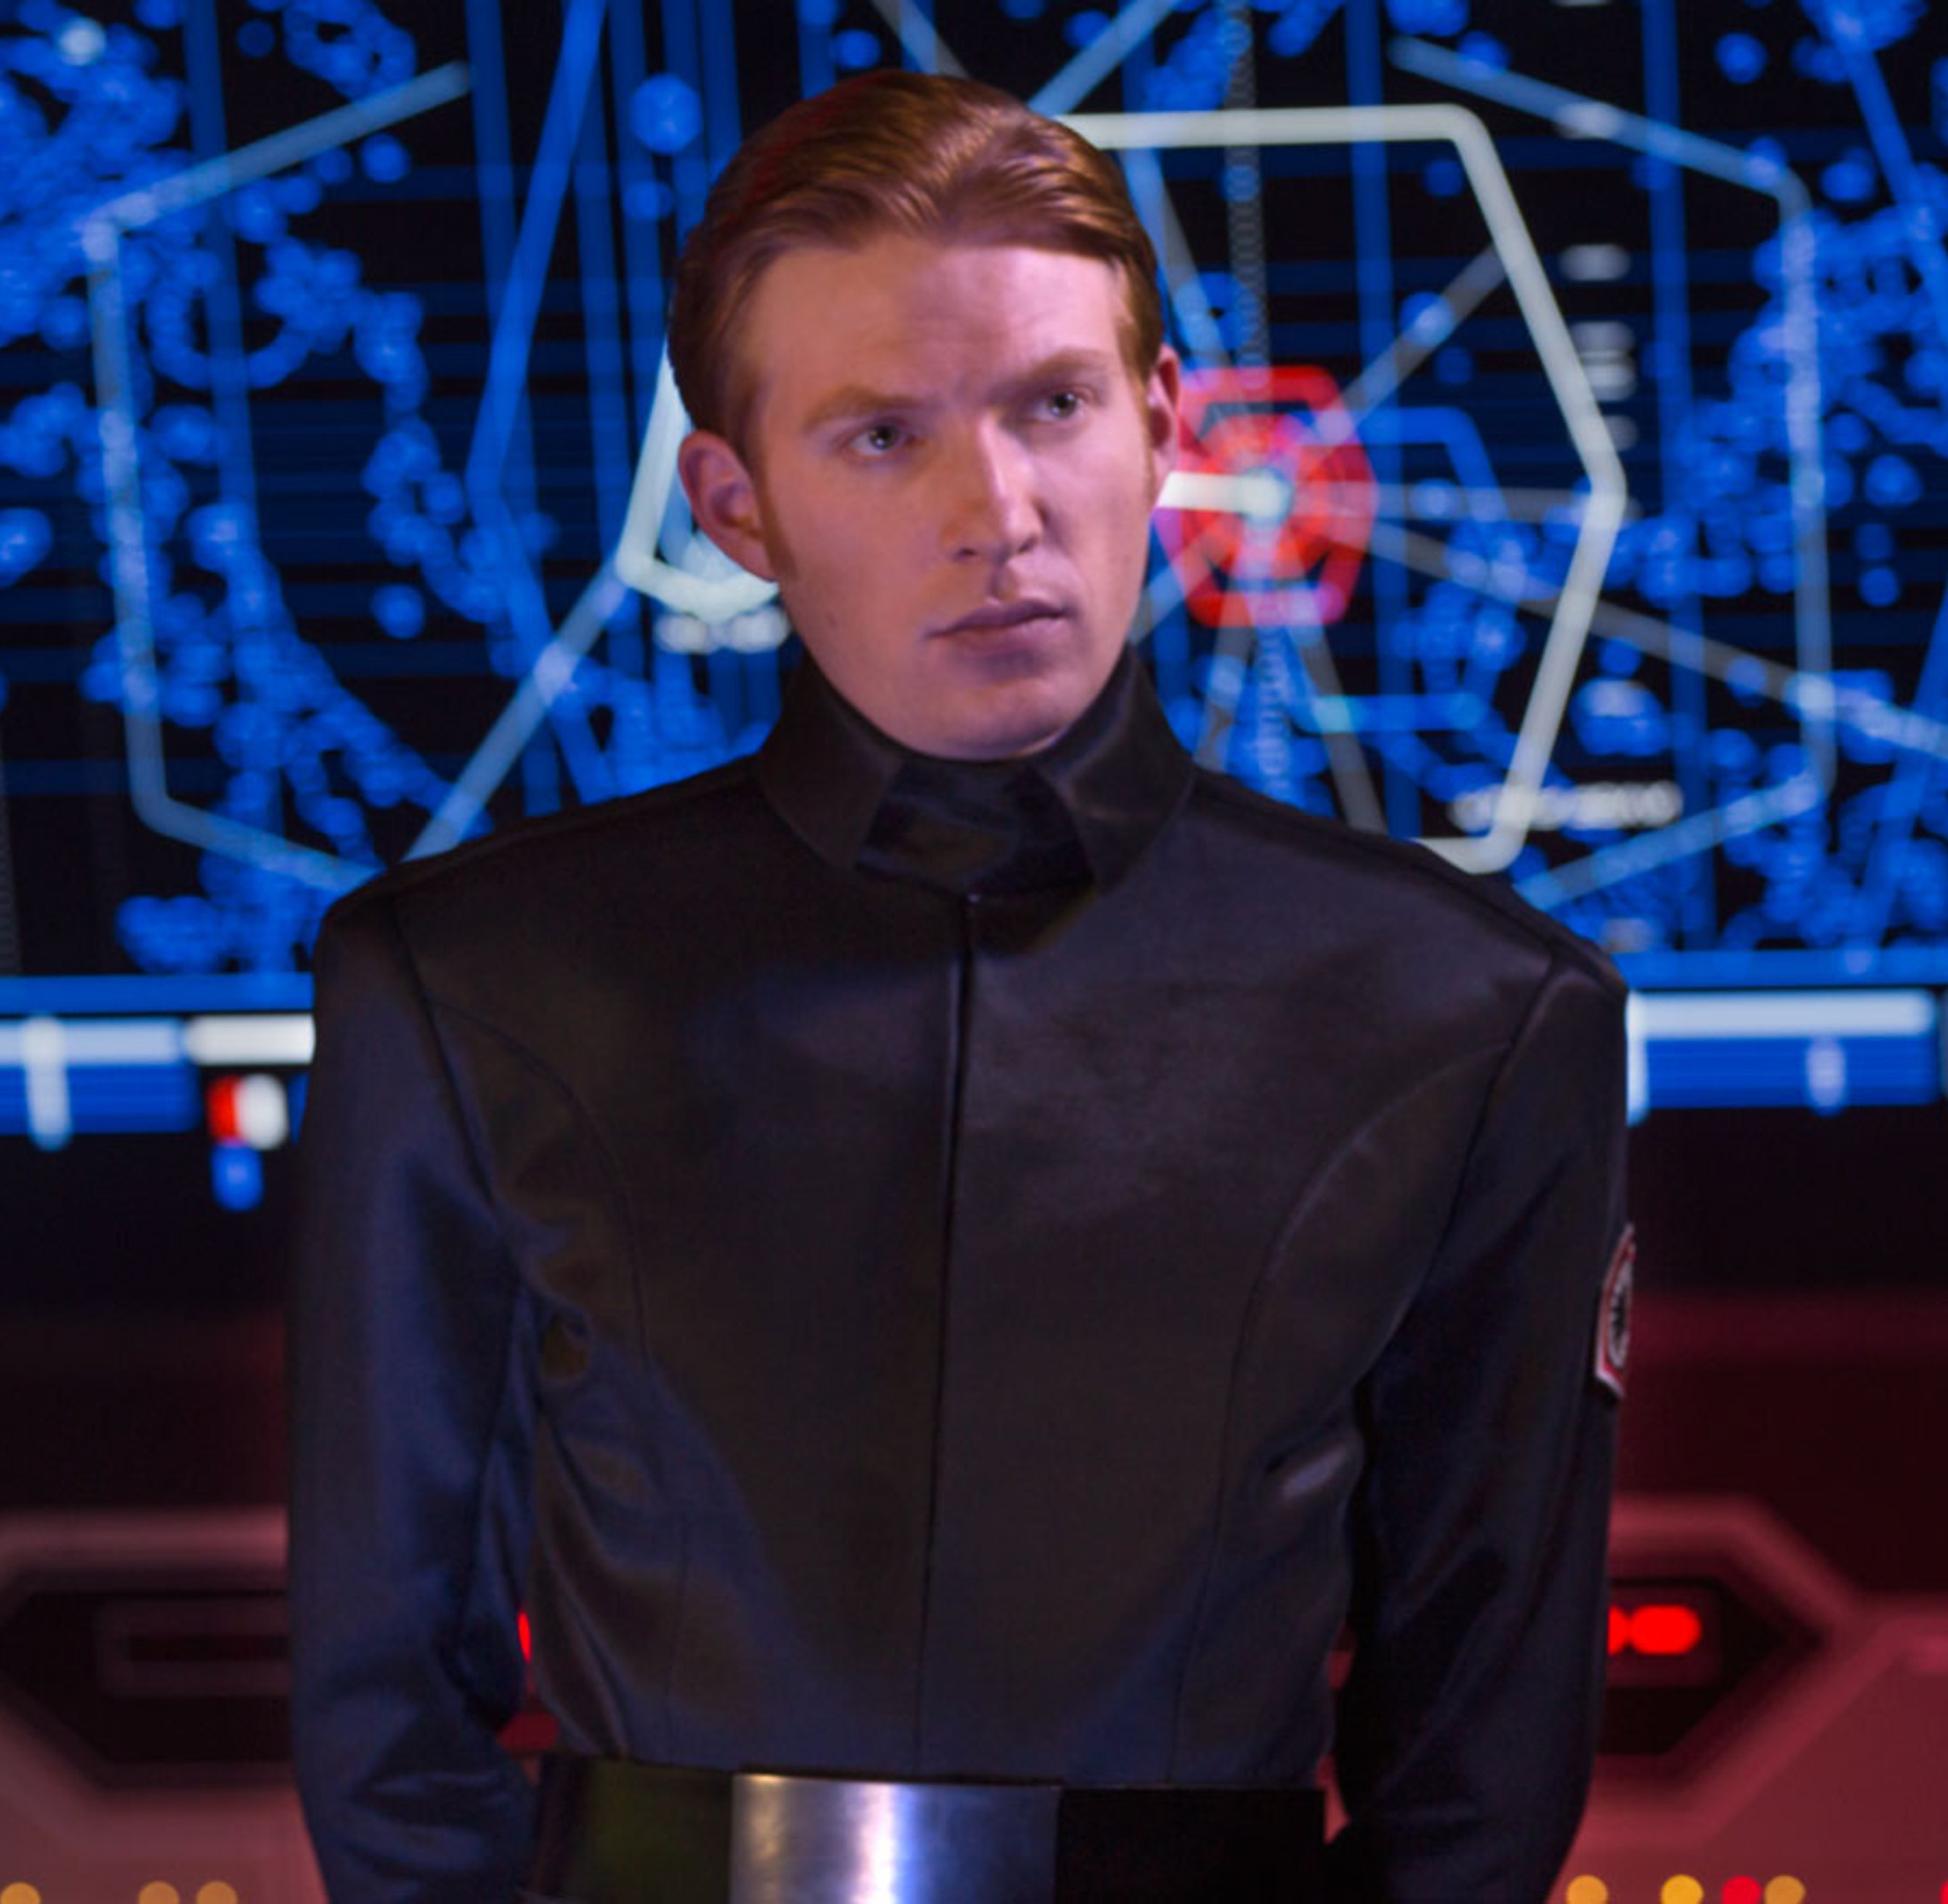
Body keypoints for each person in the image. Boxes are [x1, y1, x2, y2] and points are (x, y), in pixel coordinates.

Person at [288, 70, 1633, 1903]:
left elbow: (1479, 1754)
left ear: (1163, 425)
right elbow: (388, 1709)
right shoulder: (465, 985)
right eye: (881, 434)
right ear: (734, 505)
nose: (996, 509)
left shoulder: (1476, 1013)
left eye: (1054, 405)